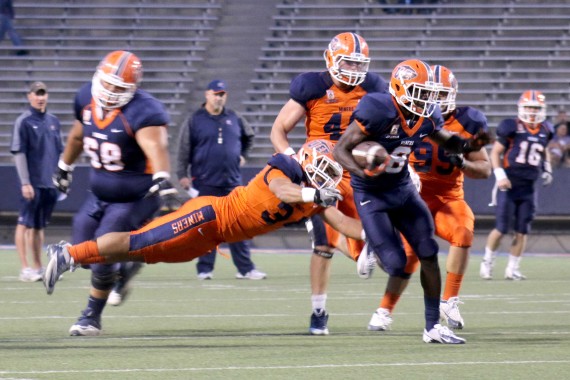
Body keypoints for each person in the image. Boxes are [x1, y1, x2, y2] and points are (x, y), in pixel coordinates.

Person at [43, 140, 365, 336]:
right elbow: (284, 191)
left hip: (212, 237)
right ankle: (69, 254)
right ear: (307, 162)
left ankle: (75, 257)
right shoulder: (283, 170)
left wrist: (380, 237)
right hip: (208, 215)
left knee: (140, 253)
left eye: (329, 173)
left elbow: (343, 223)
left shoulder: (312, 200)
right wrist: (314, 192)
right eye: (322, 169)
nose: (326, 178)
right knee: (137, 241)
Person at [333, 59, 491, 344]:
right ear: (399, 87)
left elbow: (448, 141)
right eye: (419, 90)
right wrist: (364, 171)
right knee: (396, 264)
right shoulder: (378, 110)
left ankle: (432, 327)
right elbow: (340, 149)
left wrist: (470, 146)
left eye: (427, 92)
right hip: (372, 194)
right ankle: (371, 238)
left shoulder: (428, 115)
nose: (426, 98)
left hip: (403, 189)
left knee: (428, 251)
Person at [52, 50, 178, 336]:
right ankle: (125, 267)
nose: (109, 91)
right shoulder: (85, 97)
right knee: (83, 254)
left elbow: (155, 148)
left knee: (102, 251)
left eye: (118, 88)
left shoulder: (144, 110)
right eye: (107, 83)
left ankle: (90, 317)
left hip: (134, 197)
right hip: (98, 195)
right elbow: (77, 135)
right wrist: (63, 167)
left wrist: (163, 178)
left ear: (132, 90)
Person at [270, 32, 387, 335]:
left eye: (358, 63)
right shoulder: (312, 86)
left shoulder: (372, 87)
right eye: (347, 61)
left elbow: (386, 129)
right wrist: (293, 157)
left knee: (369, 241)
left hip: (357, 168)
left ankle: (365, 250)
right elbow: (279, 130)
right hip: (320, 169)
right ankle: (319, 310)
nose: (352, 69)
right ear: (332, 58)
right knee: (322, 244)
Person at [177, 79, 265, 280]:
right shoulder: (195, 120)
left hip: (232, 182)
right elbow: (184, 149)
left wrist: (243, 155)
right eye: (216, 93)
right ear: (207, 95)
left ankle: (245, 269)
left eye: (222, 94)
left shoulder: (234, 117)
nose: (219, 97)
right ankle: (205, 269)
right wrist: (182, 175)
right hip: (205, 181)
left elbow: (249, 137)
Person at [480, 90, 554, 281]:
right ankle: (487, 262)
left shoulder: (546, 129)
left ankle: (512, 269)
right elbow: (495, 153)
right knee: (501, 228)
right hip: (509, 184)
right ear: (521, 108)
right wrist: (500, 175)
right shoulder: (511, 127)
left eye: (536, 108)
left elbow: (544, 149)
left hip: (529, 186)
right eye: (529, 107)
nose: (532, 111)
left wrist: (547, 168)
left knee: (522, 230)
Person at [10, 81, 62, 282]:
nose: (40, 97)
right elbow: (19, 152)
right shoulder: (23, 121)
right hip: (31, 183)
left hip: (49, 183)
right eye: (37, 93)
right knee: (24, 223)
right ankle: (25, 268)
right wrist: (25, 182)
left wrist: (60, 179)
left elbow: (59, 152)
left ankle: (39, 267)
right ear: (29, 96)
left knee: (39, 227)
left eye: (43, 93)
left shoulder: (53, 121)